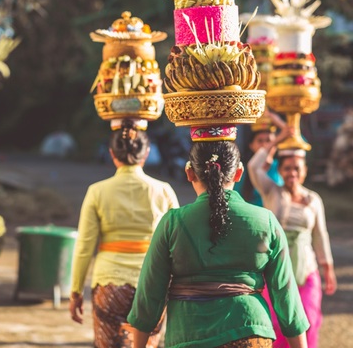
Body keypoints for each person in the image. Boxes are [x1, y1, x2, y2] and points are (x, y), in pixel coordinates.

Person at [127, 140, 309, 348]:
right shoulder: (265, 221)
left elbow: (150, 292)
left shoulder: (172, 223)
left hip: (188, 334)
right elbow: (286, 295)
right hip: (251, 331)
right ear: (239, 173)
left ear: (189, 173)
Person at [69, 119, 180, 348]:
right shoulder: (163, 191)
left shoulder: (97, 191)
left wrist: (75, 290)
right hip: (152, 283)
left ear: (112, 153)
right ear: (146, 153)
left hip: (110, 282)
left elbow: (84, 246)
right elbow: (178, 245)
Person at [247, 126, 337, 348]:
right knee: (276, 326)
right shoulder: (272, 191)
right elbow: (253, 166)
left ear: (305, 170)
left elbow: (320, 235)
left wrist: (328, 269)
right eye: (287, 168)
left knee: (309, 321)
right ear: (281, 170)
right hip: (275, 271)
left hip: (306, 271)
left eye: (296, 168)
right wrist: (277, 139)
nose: (292, 173)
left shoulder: (313, 199)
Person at [235, 110, 285, 206]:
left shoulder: (282, 167)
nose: (265, 145)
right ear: (251, 145)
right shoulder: (242, 172)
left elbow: (296, 140)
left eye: (269, 141)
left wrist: (279, 122)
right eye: (260, 141)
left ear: (276, 143)